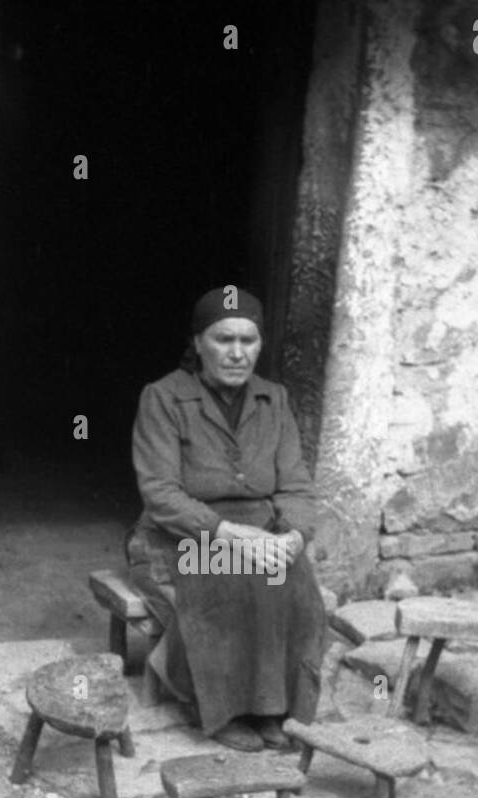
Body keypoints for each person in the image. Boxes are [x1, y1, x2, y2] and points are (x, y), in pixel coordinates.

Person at [128, 287, 328, 752]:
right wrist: (231, 535)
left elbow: (295, 484)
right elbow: (160, 492)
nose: (237, 353)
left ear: (259, 346)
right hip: (179, 534)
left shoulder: (273, 399)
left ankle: (274, 708)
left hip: (260, 528)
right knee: (228, 577)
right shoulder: (163, 398)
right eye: (223, 340)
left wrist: (295, 535)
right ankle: (218, 707)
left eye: (248, 341)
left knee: (295, 583)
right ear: (198, 344)